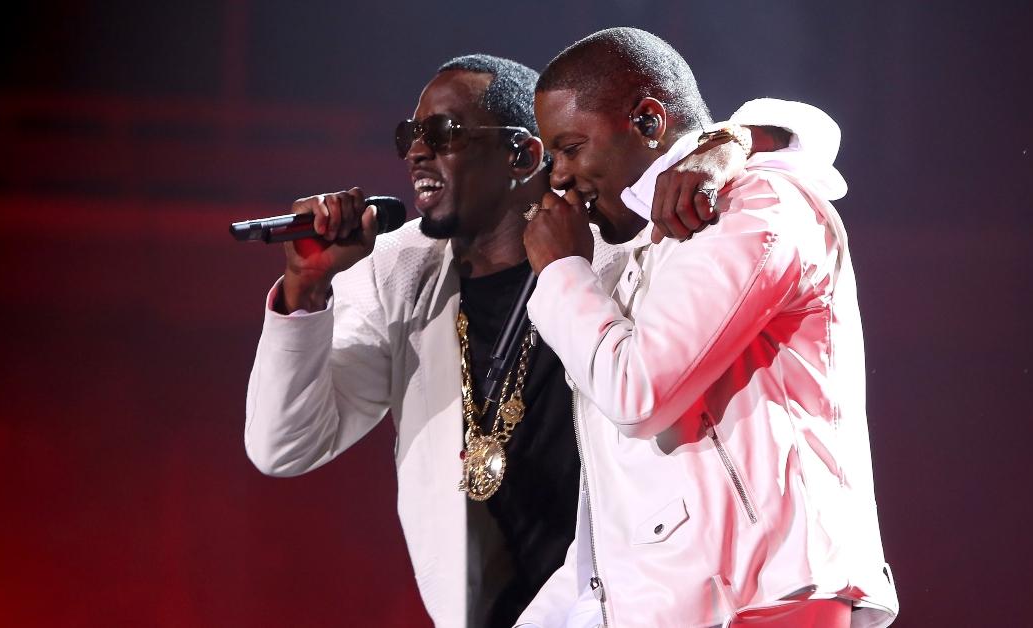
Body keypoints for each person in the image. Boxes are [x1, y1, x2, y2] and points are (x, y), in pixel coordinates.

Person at [243, 54, 777, 627]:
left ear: (522, 155)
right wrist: (307, 287)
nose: (415, 152)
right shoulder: (400, 273)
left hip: (631, 606)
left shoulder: (619, 251)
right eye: (408, 137)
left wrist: (727, 145)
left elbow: (787, 142)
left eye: (441, 133)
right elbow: (283, 446)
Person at [518, 28, 899, 627]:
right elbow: (621, 505)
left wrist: (563, 270)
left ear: (647, 120)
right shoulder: (632, 253)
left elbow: (637, 393)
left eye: (570, 147)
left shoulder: (754, 204)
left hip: (770, 598)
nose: (558, 177)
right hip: (679, 604)